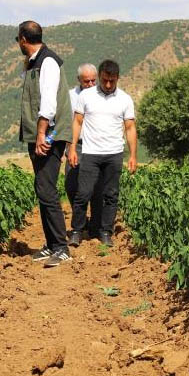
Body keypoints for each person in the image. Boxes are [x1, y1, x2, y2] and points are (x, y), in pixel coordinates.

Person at [16, 21, 73, 267]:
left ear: (22, 39)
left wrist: (41, 134)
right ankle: (51, 244)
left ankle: (61, 248)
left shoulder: (47, 62)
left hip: (49, 135)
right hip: (42, 134)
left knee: (47, 188)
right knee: (42, 188)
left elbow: (48, 103)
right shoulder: (35, 62)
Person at [68, 59, 137, 247]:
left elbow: (130, 128)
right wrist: (72, 148)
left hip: (114, 154)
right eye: (105, 80)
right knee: (83, 193)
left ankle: (106, 232)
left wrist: (132, 156)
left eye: (112, 81)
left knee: (111, 195)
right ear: (99, 77)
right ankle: (76, 231)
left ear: (118, 79)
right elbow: (77, 122)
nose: (108, 85)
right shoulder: (86, 96)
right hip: (90, 153)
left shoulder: (125, 99)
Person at [65, 63, 103, 246]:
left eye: (93, 80)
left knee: (97, 188)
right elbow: (64, 122)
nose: (90, 84)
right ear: (79, 80)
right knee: (72, 186)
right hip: (77, 145)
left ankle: (93, 227)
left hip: (96, 145)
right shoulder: (71, 97)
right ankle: (81, 222)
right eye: (86, 81)